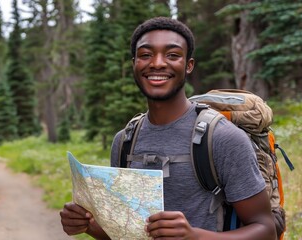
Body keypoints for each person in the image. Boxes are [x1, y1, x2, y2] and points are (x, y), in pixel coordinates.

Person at [60, 16, 276, 240]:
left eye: (172, 55)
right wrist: (87, 225)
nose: (158, 63)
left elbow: (266, 230)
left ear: (188, 65)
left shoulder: (223, 138)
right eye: (146, 55)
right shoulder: (125, 142)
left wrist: (194, 236)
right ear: (134, 63)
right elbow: (127, 233)